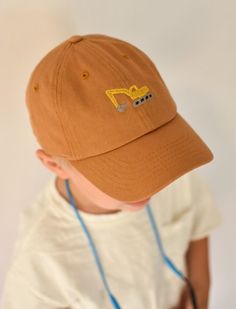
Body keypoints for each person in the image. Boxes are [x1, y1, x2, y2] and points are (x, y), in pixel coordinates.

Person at [0, 33, 223, 309]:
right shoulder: (41, 261)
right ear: (54, 165)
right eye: (126, 167)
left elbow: (198, 279)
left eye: (155, 154)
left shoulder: (178, 180)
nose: (150, 182)